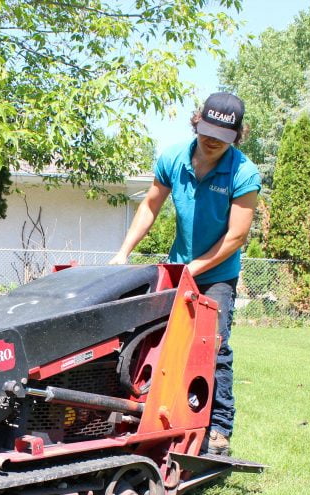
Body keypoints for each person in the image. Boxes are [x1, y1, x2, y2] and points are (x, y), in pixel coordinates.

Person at [109, 92, 260, 457]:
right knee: (156, 339)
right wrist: (123, 253)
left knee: (214, 345)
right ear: (197, 122)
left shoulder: (243, 173)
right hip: (179, 267)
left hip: (218, 274)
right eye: (207, 131)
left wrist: (194, 269)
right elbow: (150, 205)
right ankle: (160, 413)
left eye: (221, 137)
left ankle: (219, 428)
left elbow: (236, 236)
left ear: (236, 136)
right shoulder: (173, 158)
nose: (211, 141)